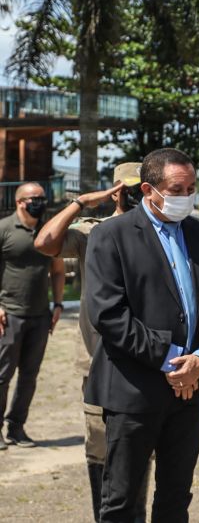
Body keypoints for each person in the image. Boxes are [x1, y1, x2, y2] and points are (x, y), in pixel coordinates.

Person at [84, 148, 199, 522]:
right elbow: (108, 314)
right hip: (133, 390)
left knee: (176, 497)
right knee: (120, 500)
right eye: (176, 190)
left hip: (191, 389)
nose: (186, 197)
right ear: (148, 190)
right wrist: (171, 360)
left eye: (191, 188)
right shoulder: (111, 235)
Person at [33, 162, 149, 522]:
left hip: (147, 357)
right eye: (127, 189)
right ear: (115, 191)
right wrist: (81, 202)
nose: (133, 196)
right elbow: (45, 243)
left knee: (140, 447)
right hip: (98, 359)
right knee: (100, 446)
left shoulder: (158, 231)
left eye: (140, 188)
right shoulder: (91, 231)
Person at [0, 183, 65, 450]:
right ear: (20, 202)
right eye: (34, 198)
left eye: (42, 198)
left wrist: (58, 304)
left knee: (29, 376)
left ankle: (16, 427)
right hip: (9, 315)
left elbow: (58, 270)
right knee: (2, 375)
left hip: (40, 316)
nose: (40, 202)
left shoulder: (49, 231)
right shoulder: (4, 229)